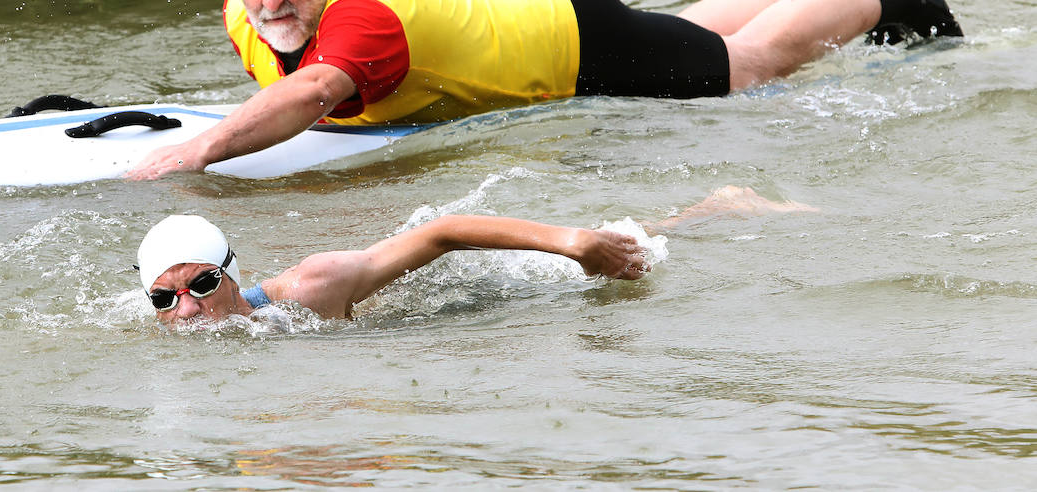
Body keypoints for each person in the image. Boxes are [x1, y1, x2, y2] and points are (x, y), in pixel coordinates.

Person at [128, 0, 962, 179]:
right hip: (511, 2)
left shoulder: (366, 12)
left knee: (743, 70)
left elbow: (313, 93)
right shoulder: (247, 3)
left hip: (561, 35)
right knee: (670, 38)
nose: (270, 0)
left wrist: (198, 153)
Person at [136, 186, 812, 325]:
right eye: (168, 298)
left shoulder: (312, 287)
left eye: (201, 283)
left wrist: (575, 246)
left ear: (232, 271)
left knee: (628, 246)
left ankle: (715, 208)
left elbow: (446, 234)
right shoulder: (155, 321)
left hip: (470, 283)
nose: (190, 308)